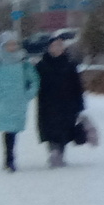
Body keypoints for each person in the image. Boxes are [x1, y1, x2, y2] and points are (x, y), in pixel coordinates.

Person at [0, 32, 38, 171]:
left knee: (14, 130)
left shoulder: (23, 61)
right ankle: (9, 159)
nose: (13, 46)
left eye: (15, 43)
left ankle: (10, 158)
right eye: (9, 44)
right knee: (8, 130)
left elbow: (34, 80)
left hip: (19, 101)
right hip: (3, 103)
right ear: (3, 45)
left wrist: (28, 94)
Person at [34, 31, 86, 169]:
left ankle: (60, 155)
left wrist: (80, 105)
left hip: (67, 103)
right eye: (55, 45)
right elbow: (33, 83)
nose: (58, 48)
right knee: (50, 130)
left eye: (60, 45)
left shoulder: (70, 64)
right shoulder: (41, 65)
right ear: (49, 47)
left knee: (64, 129)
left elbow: (77, 86)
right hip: (47, 104)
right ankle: (53, 152)